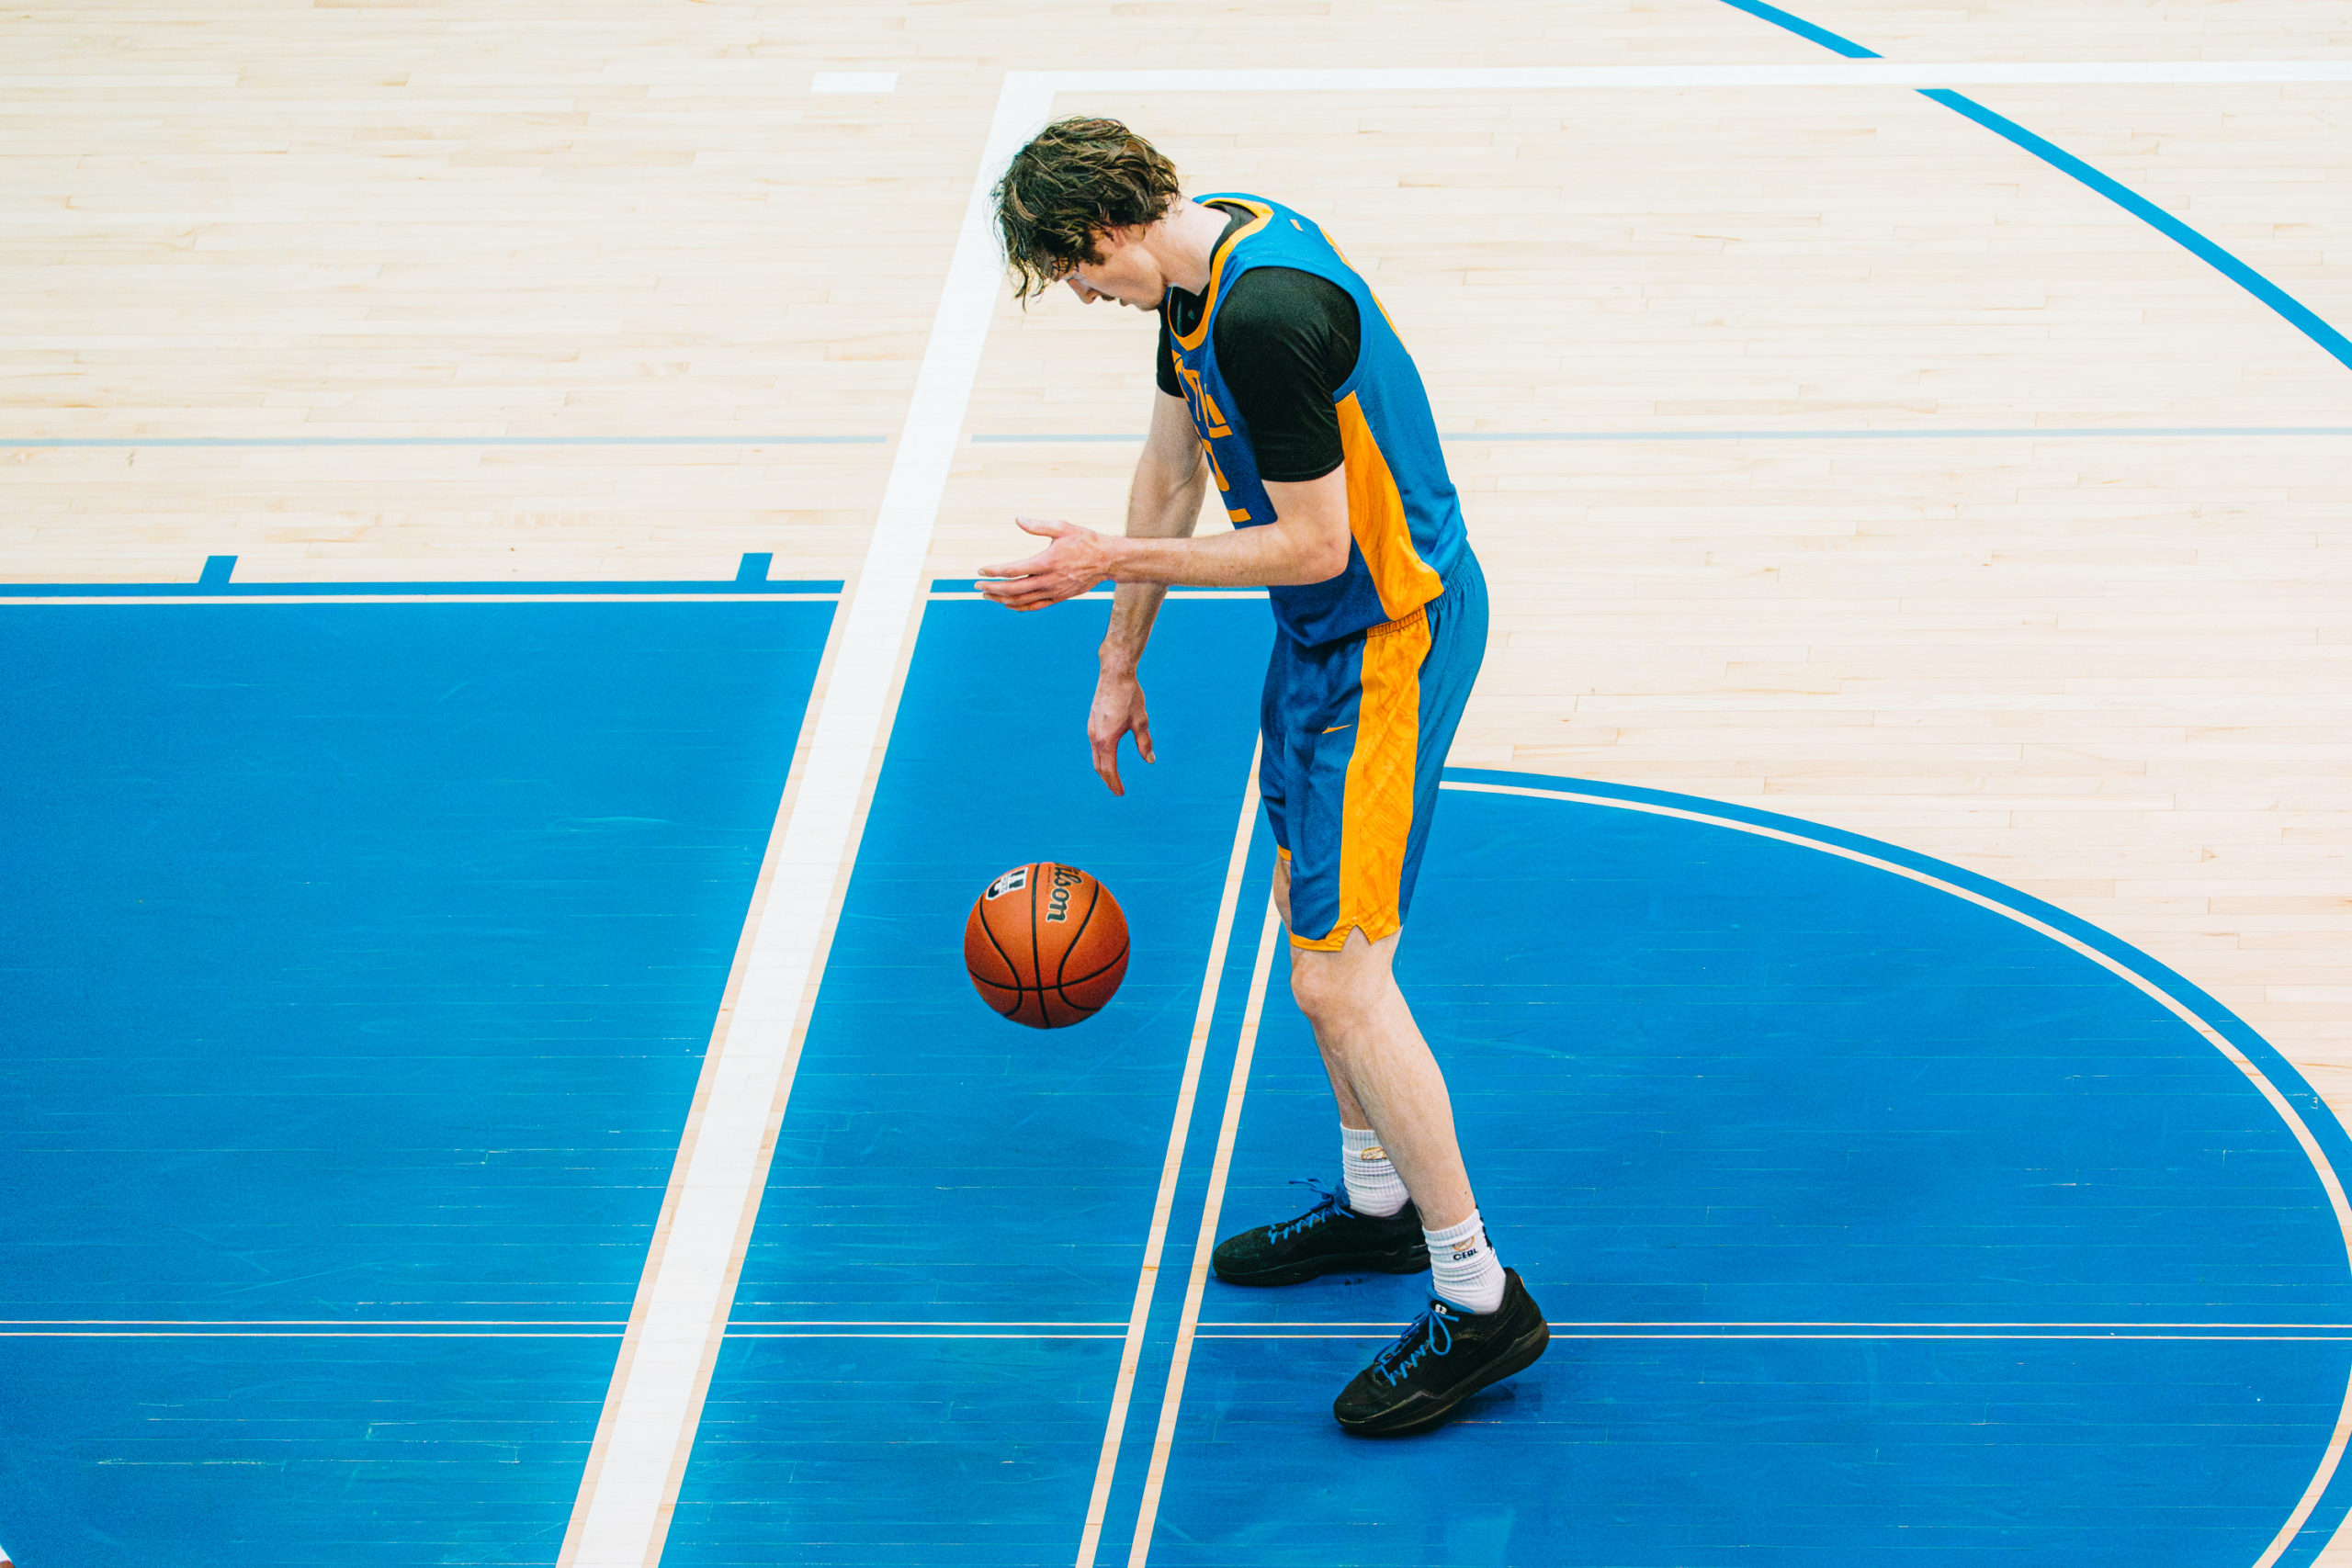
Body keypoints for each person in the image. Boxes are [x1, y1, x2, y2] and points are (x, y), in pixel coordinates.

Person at [980, 118, 1547, 1437]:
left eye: (1070, 272)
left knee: (1338, 982)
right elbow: (1176, 465)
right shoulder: (1198, 261)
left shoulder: (1265, 318)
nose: (1076, 294)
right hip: (1322, 634)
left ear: (1108, 230)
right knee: (1302, 909)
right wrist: (1119, 656)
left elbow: (1307, 543)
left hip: (1385, 639)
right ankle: (1376, 1207)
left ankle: (1479, 1299)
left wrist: (1101, 559)